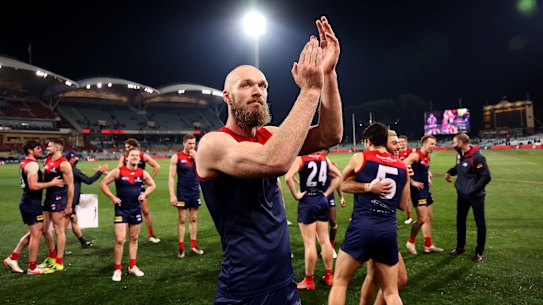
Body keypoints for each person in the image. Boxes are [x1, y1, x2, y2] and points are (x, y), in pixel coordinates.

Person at [195, 15, 342, 304]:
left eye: (263, 86)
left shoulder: (269, 135)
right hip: (243, 289)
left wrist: (328, 75)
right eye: (246, 85)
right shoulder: (213, 143)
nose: (257, 91)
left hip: (283, 281)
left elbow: (330, 135)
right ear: (227, 96)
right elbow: (274, 160)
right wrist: (310, 90)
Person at [328, 123, 408, 305]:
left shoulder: (360, 157)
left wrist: (368, 187)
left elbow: (342, 184)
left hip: (362, 227)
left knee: (340, 282)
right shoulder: (403, 167)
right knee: (391, 292)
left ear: (368, 141)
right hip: (387, 231)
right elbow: (403, 205)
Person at [359, 130, 408, 305]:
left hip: (379, 228)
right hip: (379, 229)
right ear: (382, 143)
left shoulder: (395, 166)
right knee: (398, 280)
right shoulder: (375, 164)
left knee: (373, 276)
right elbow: (402, 205)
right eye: (394, 143)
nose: (399, 145)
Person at [4, 140, 64, 275]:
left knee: (34, 232)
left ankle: (13, 258)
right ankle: (32, 267)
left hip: (30, 202)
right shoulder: (32, 165)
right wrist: (52, 183)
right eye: (38, 148)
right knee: (36, 235)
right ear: (30, 150)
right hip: (31, 203)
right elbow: (33, 186)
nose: (40, 150)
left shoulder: (26, 163)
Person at [285, 150, 341, 290]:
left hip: (308, 201)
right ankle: (329, 276)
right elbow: (338, 176)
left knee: (309, 242)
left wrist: (296, 195)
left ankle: (309, 281)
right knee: (325, 240)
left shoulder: (301, 158)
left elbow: (287, 178)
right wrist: (326, 194)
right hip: (322, 200)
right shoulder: (324, 158)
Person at [100, 147, 156, 282]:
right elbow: (103, 184)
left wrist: (145, 194)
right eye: (132, 155)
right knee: (120, 239)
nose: (135, 157)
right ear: (127, 158)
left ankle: (132, 266)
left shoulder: (142, 173)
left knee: (134, 238)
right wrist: (113, 197)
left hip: (135, 209)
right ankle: (117, 268)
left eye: (137, 155)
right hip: (121, 210)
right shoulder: (118, 171)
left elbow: (152, 185)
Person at [445, 133, 491, 262]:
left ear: (460, 143)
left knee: (480, 223)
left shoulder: (477, 157)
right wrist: (450, 172)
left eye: (454, 142)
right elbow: (459, 168)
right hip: (462, 194)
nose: (453, 144)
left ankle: (479, 251)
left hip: (475, 196)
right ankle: (460, 247)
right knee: (460, 220)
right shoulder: (460, 155)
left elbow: (486, 176)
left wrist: (473, 190)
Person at [404, 135, 443, 255]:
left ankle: (428, 245)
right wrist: (412, 182)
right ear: (424, 144)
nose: (434, 146)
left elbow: (424, 169)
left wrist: (428, 176)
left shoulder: (427, 156)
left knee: (428, 218)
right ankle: (410, 242)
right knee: (421, 220)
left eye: (435, 144)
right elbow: (403, 165)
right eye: (432, 144)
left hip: (426, 190)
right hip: (418, 192)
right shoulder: (415, 155)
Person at [40, 138, 74, 272]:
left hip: (59, 198)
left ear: (57, 148)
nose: (47, 148)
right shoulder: (47, 160)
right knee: (44, 229)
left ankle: (59, 262)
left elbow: (70, 186)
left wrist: (69, 206)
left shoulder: (64, 164)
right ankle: (52, 256)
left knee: (58, 230)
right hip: (48, 197)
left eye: (49, 146)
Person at [118, 138, 161, 243]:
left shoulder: (142, 156)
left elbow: (157, 166)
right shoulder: (124, 158)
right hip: (127, 189)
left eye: (128, 147)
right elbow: (118, 172)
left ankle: (151, 235)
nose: (126, 149)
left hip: (139, 187)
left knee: (145, 211)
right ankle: (125, 237)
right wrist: (105, 172)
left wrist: (148, 179)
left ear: (133, 146)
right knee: (127, 212)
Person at [168, 134, 204, 258]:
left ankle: (194, 245)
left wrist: (197, 158)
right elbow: (171, 178)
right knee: (182, 219)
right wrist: (172, 195)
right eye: (189, 143)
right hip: (182, 193)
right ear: (184, 143)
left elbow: (204, 172)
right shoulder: (176, 157)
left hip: (195, 192)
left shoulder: (198, 156)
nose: (192, 146)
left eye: (194, 143)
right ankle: (181, 247)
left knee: (193, 218)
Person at [64, 150, 108, 248]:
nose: (77, 159)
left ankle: (82, 242)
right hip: (68, 201)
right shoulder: (73, 170)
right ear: (71, 158)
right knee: (62, 228)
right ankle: (57, 250)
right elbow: (88, 180)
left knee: (74, 220)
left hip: (68, 199)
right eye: (76, 157)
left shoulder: (67, 168)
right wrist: (100, 172)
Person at [322, 148, 346, 258]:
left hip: (329, 197)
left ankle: (330, 245)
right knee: (317, 224)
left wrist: (341, 197)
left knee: (333, 222)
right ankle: (324, 246)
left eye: (324, 150)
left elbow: (338, 182)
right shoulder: (312, 163)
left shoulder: (332, 165)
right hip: (315, 198)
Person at [398, 135, 414, 224]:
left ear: (406, 142)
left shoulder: (411, 152)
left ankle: (409, 216)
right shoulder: (396, 153)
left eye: (402, 142)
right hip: (399, 177)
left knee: (408, 197)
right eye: (399, 142)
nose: (401, 144)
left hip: (409, 177)